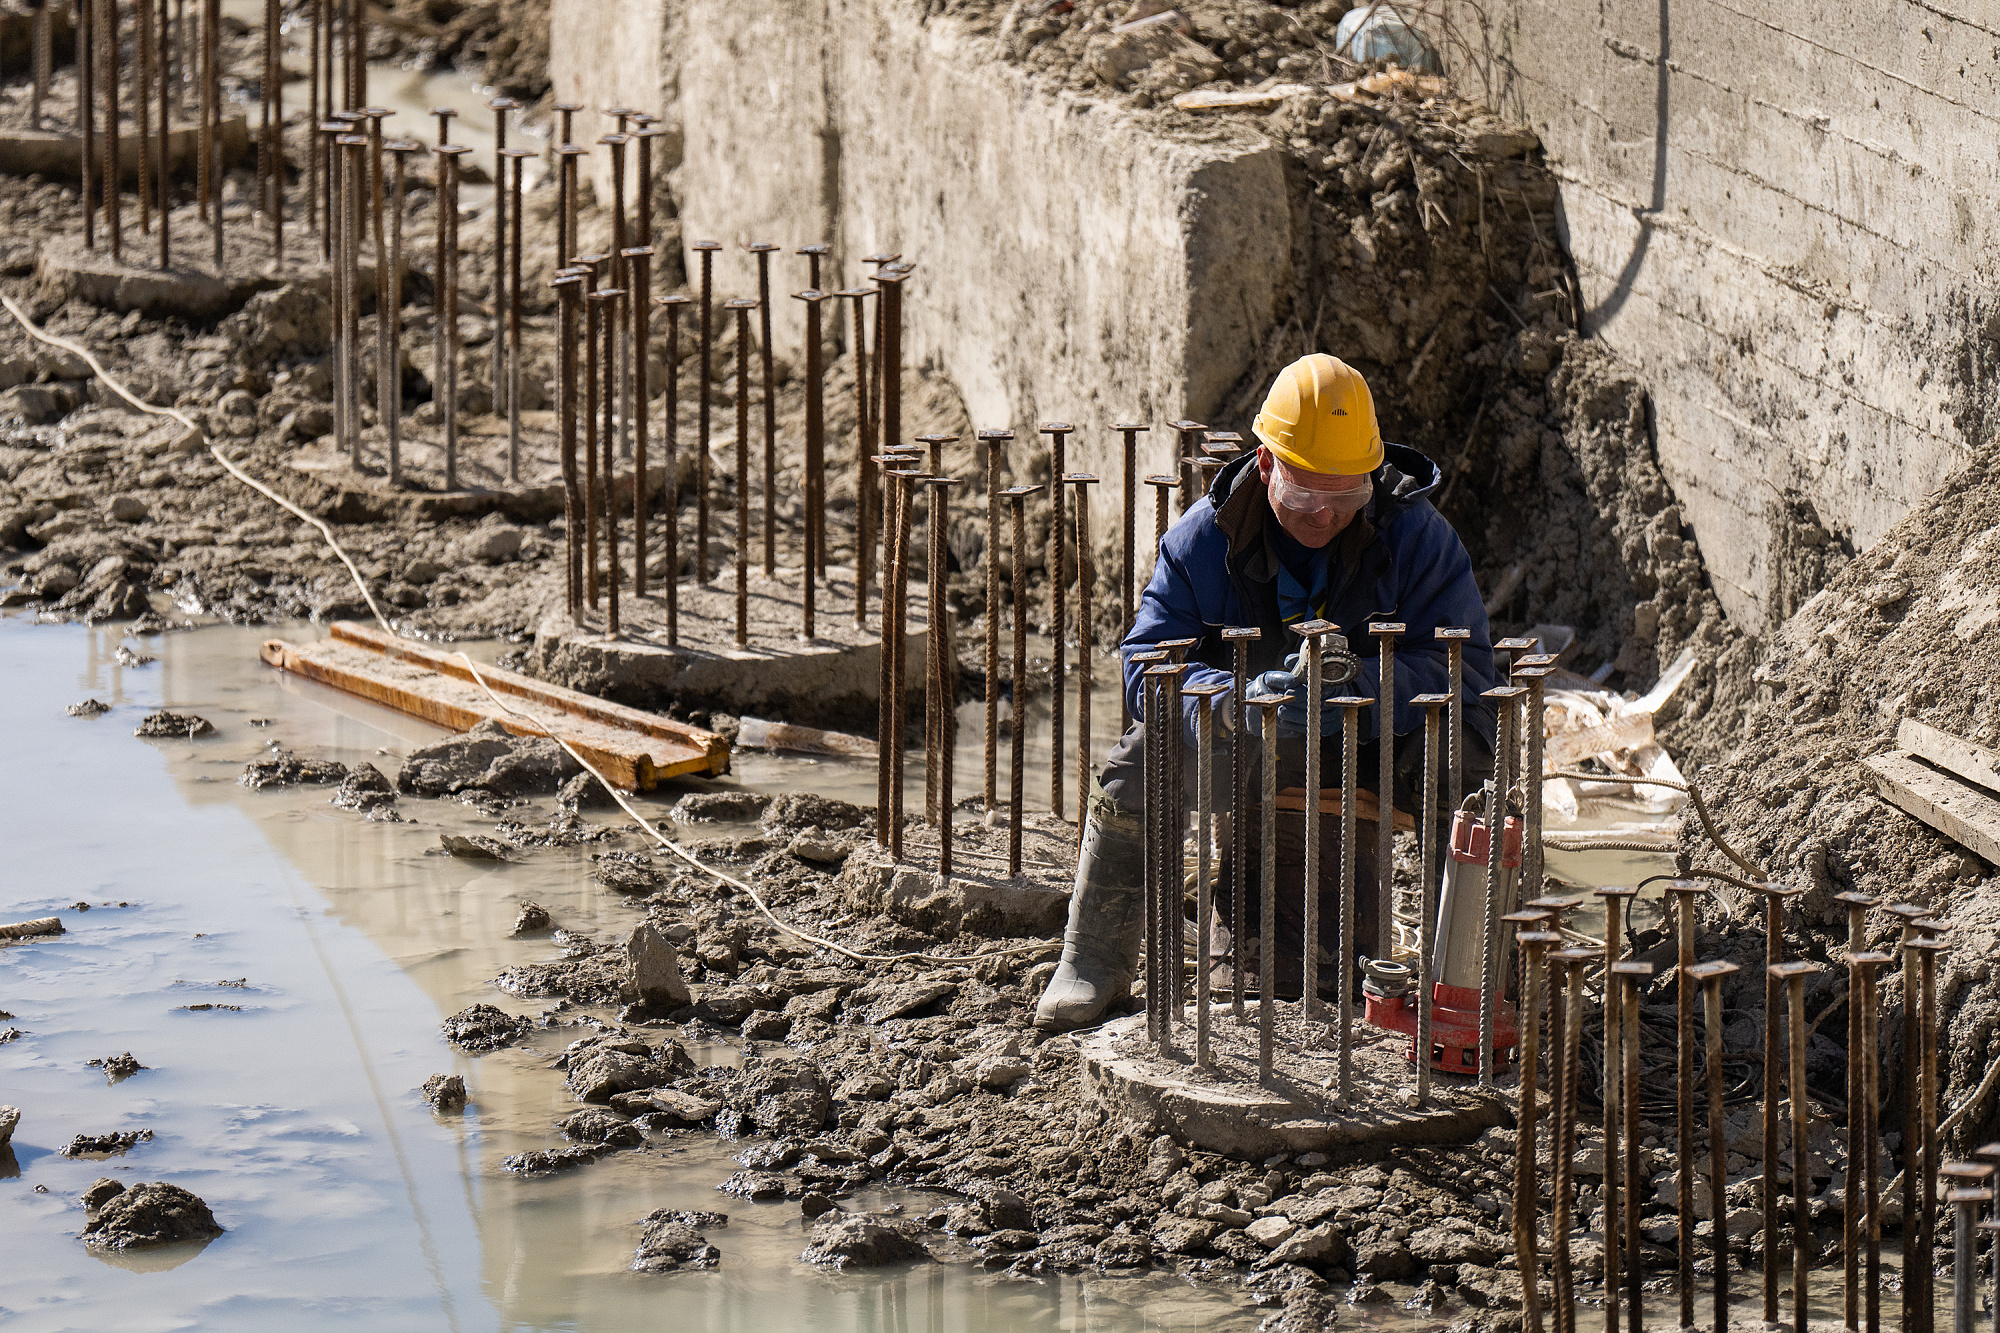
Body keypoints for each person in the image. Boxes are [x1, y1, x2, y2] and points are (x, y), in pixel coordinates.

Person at [1033, 353, 1499, 1033]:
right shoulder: (1203, 540)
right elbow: (1144, 665)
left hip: (1375, 742)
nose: (1323, 519)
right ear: (1264, 465)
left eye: (1346, 500)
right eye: (1306, 498)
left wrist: (1363, 695)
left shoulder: (1419, 540)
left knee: (1470, 768)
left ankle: (1462, 983)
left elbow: (1469, 675)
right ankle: (1093, 957)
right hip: (1247, 748)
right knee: (1142, 754)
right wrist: (1229, 702)